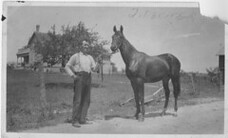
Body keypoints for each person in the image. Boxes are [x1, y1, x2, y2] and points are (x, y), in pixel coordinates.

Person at [65, 40, 101, 128]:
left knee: (86, 99)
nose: (86, 47)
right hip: (79, 77)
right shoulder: (76, 56)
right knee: (78, 99)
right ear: (81, 46)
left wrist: (98, 62)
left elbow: (94, 69)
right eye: (84, 45)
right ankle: (75, 120)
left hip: (88, 78)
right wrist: (73, 75)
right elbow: (67, 66)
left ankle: (82, 119)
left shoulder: (90, 57)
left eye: (87, 46)